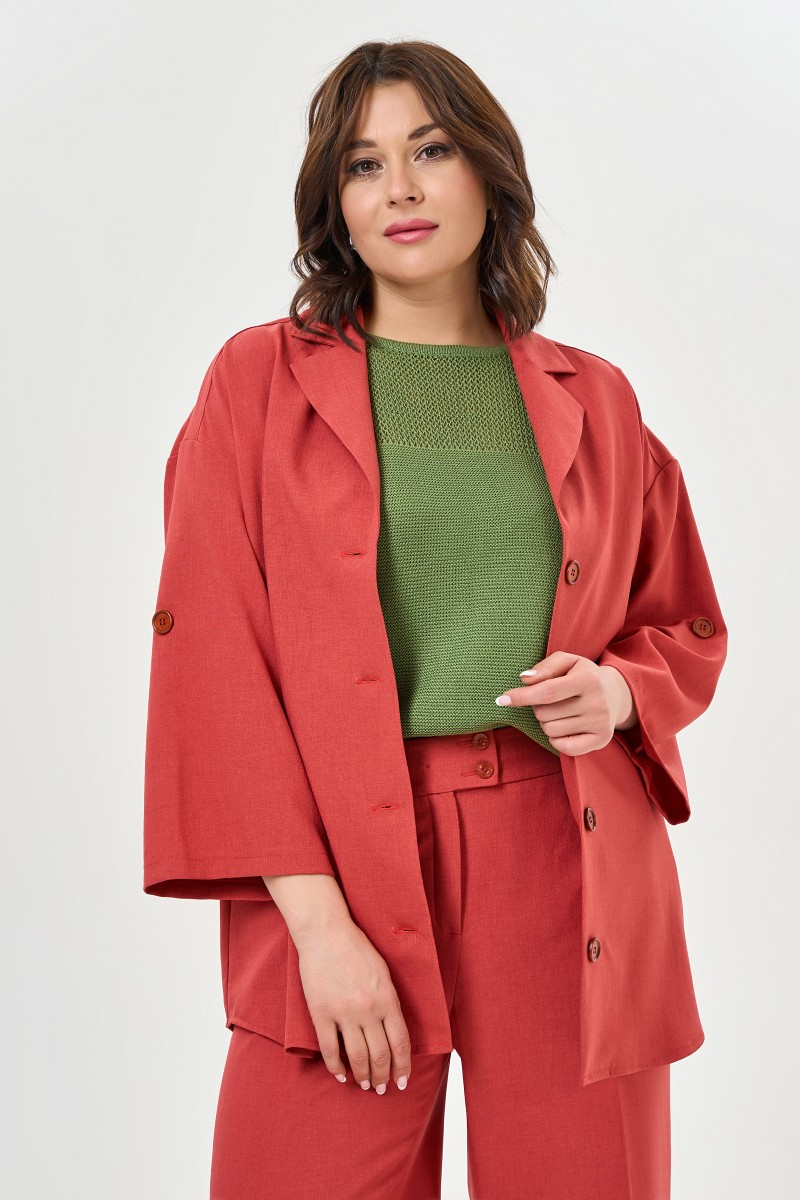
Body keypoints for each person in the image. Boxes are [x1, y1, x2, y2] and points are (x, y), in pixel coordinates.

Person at [143, 39, 728, 1199]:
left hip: (564, 855)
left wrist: (616, 691)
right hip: (340, 860)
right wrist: (318, 931)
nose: (399, 189)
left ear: (487, 174)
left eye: (430, 150)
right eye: (363, 165)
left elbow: (681, 623)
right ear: (333, 204)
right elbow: (213, 662)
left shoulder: (596, 398)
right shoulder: (255, 385)